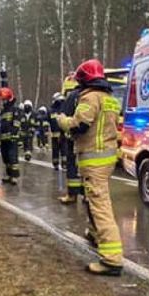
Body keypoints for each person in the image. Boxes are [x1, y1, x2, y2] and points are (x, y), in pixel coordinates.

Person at [57, 59, 123, 276]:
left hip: (93, 159)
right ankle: (95, 233)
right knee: (95, 200)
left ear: (84, 80)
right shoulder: (110, 99)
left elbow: (81, 124)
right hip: (107, 158)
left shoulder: (89, 97)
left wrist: (63, 121)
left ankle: (112, 259)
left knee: (100, 205)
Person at [59, 77, 84, 204]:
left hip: (73, 137)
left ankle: (72, 195)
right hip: (90, 140)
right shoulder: (94, 95)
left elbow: (64, 116)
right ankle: (87, 195)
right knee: (87, 168)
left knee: (72, 166)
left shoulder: (73, 96)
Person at [0, 87, 21, 184]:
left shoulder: (15, 109)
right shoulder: (3, 111)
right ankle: (8, 174)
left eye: (4, 99)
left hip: (12, 138)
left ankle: (14, 176)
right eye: (2, 100)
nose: (3, 102)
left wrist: (13, 133)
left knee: (12, 158)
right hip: (3, 139)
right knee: (6, 158)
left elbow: (16, 123)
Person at [48, 92, 65, 169]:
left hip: (64, 134)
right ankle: (56, 163)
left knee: (64, 149)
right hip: (54, 134)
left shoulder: (64, 108)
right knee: (55, 150)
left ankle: (64, 163)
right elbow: (48, 120)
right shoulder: (51, 110)